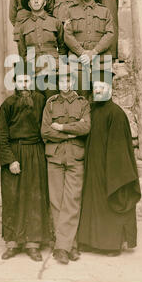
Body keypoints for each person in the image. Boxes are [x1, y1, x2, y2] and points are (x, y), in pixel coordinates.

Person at [78, 74, 141, 256]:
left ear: (110, 90)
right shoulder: (92, 110)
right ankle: (91, 241)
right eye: (95, 88)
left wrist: (112, 173)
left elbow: (120, 149)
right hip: (93, 166)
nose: (97, 91)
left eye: (102, 88)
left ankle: (111, 244)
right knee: (93, 202)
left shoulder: (116, 113)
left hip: (110, 169)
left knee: (109, 202)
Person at [0, 65, 50, 262]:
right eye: (21, 81)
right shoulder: (7, 104)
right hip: (15, 152)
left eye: (28, 81)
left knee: (35, 197)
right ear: (15, 84)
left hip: (36, 151)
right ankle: (13, 243)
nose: (25, 85)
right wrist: (10, 160)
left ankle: (33, 243)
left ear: (32, 82)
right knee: (13, 197)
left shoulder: (41, 101)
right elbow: (1, 135)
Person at [41, 66, 91, 265]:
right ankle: (69, 245)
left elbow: (85, 127)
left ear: (73, 82)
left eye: (68, 81)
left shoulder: (83, 103)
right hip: (54, 157)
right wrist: (72, 132)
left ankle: (63, 247)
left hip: (75, 157)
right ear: (57, 83)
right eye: (61, 81)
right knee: (56, 201)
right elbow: (45, 131)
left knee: (72, 201)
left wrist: (62, 128)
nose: (65, 84)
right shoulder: (50, 104)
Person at [64, 0, 114, 100]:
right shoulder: (71, 11)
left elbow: (110, 34)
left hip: (100, 57)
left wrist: (93, 52)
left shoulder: (105, 11)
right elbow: (67, 35)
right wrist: (81, 53)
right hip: (78, 59)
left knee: (102, 97)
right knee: (80, 97)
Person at [15, 0, 67, 99]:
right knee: (36, 103)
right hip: (33, 70)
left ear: (44, 2)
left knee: (52, 101)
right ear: (29, 4)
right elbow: (22, 51)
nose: (36, 1)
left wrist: (60, 66)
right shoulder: (23, 26)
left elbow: (62, 47)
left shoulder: (55, 22)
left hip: (52, 70)